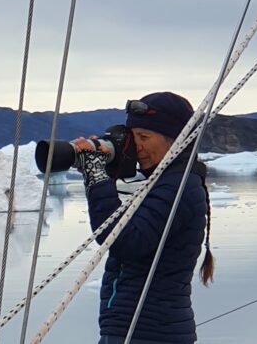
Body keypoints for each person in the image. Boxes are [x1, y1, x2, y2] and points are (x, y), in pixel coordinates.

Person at [72, 91, 212, 344]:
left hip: (150, 333)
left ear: (176, 141)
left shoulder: (178, 188)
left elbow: (125, 240)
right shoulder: (163, 183)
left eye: (144, 137)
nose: (137, 147)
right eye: (132, 138)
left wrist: (96, 175)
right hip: (136, 329)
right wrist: (108, 173)